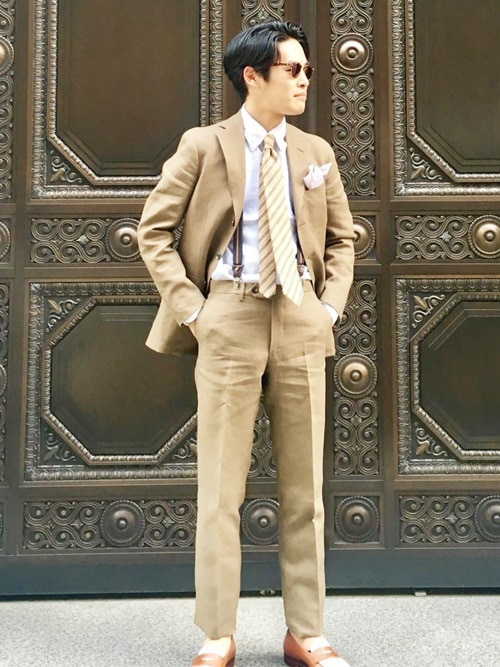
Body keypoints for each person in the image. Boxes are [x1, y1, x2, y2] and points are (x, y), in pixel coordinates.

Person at [138, 20, 355, 667]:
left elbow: (342, 239)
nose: (305, 80)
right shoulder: (204, 145)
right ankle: (217, 634)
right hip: (228, 315)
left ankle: (306, 633)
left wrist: (328, 308)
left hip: (300, 317)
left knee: (305, 492)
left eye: (307, 70)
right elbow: (154, 231)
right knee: (220, 490)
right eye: (293, 69)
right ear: (252, 76)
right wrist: (195, 311)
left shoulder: (315, 151)